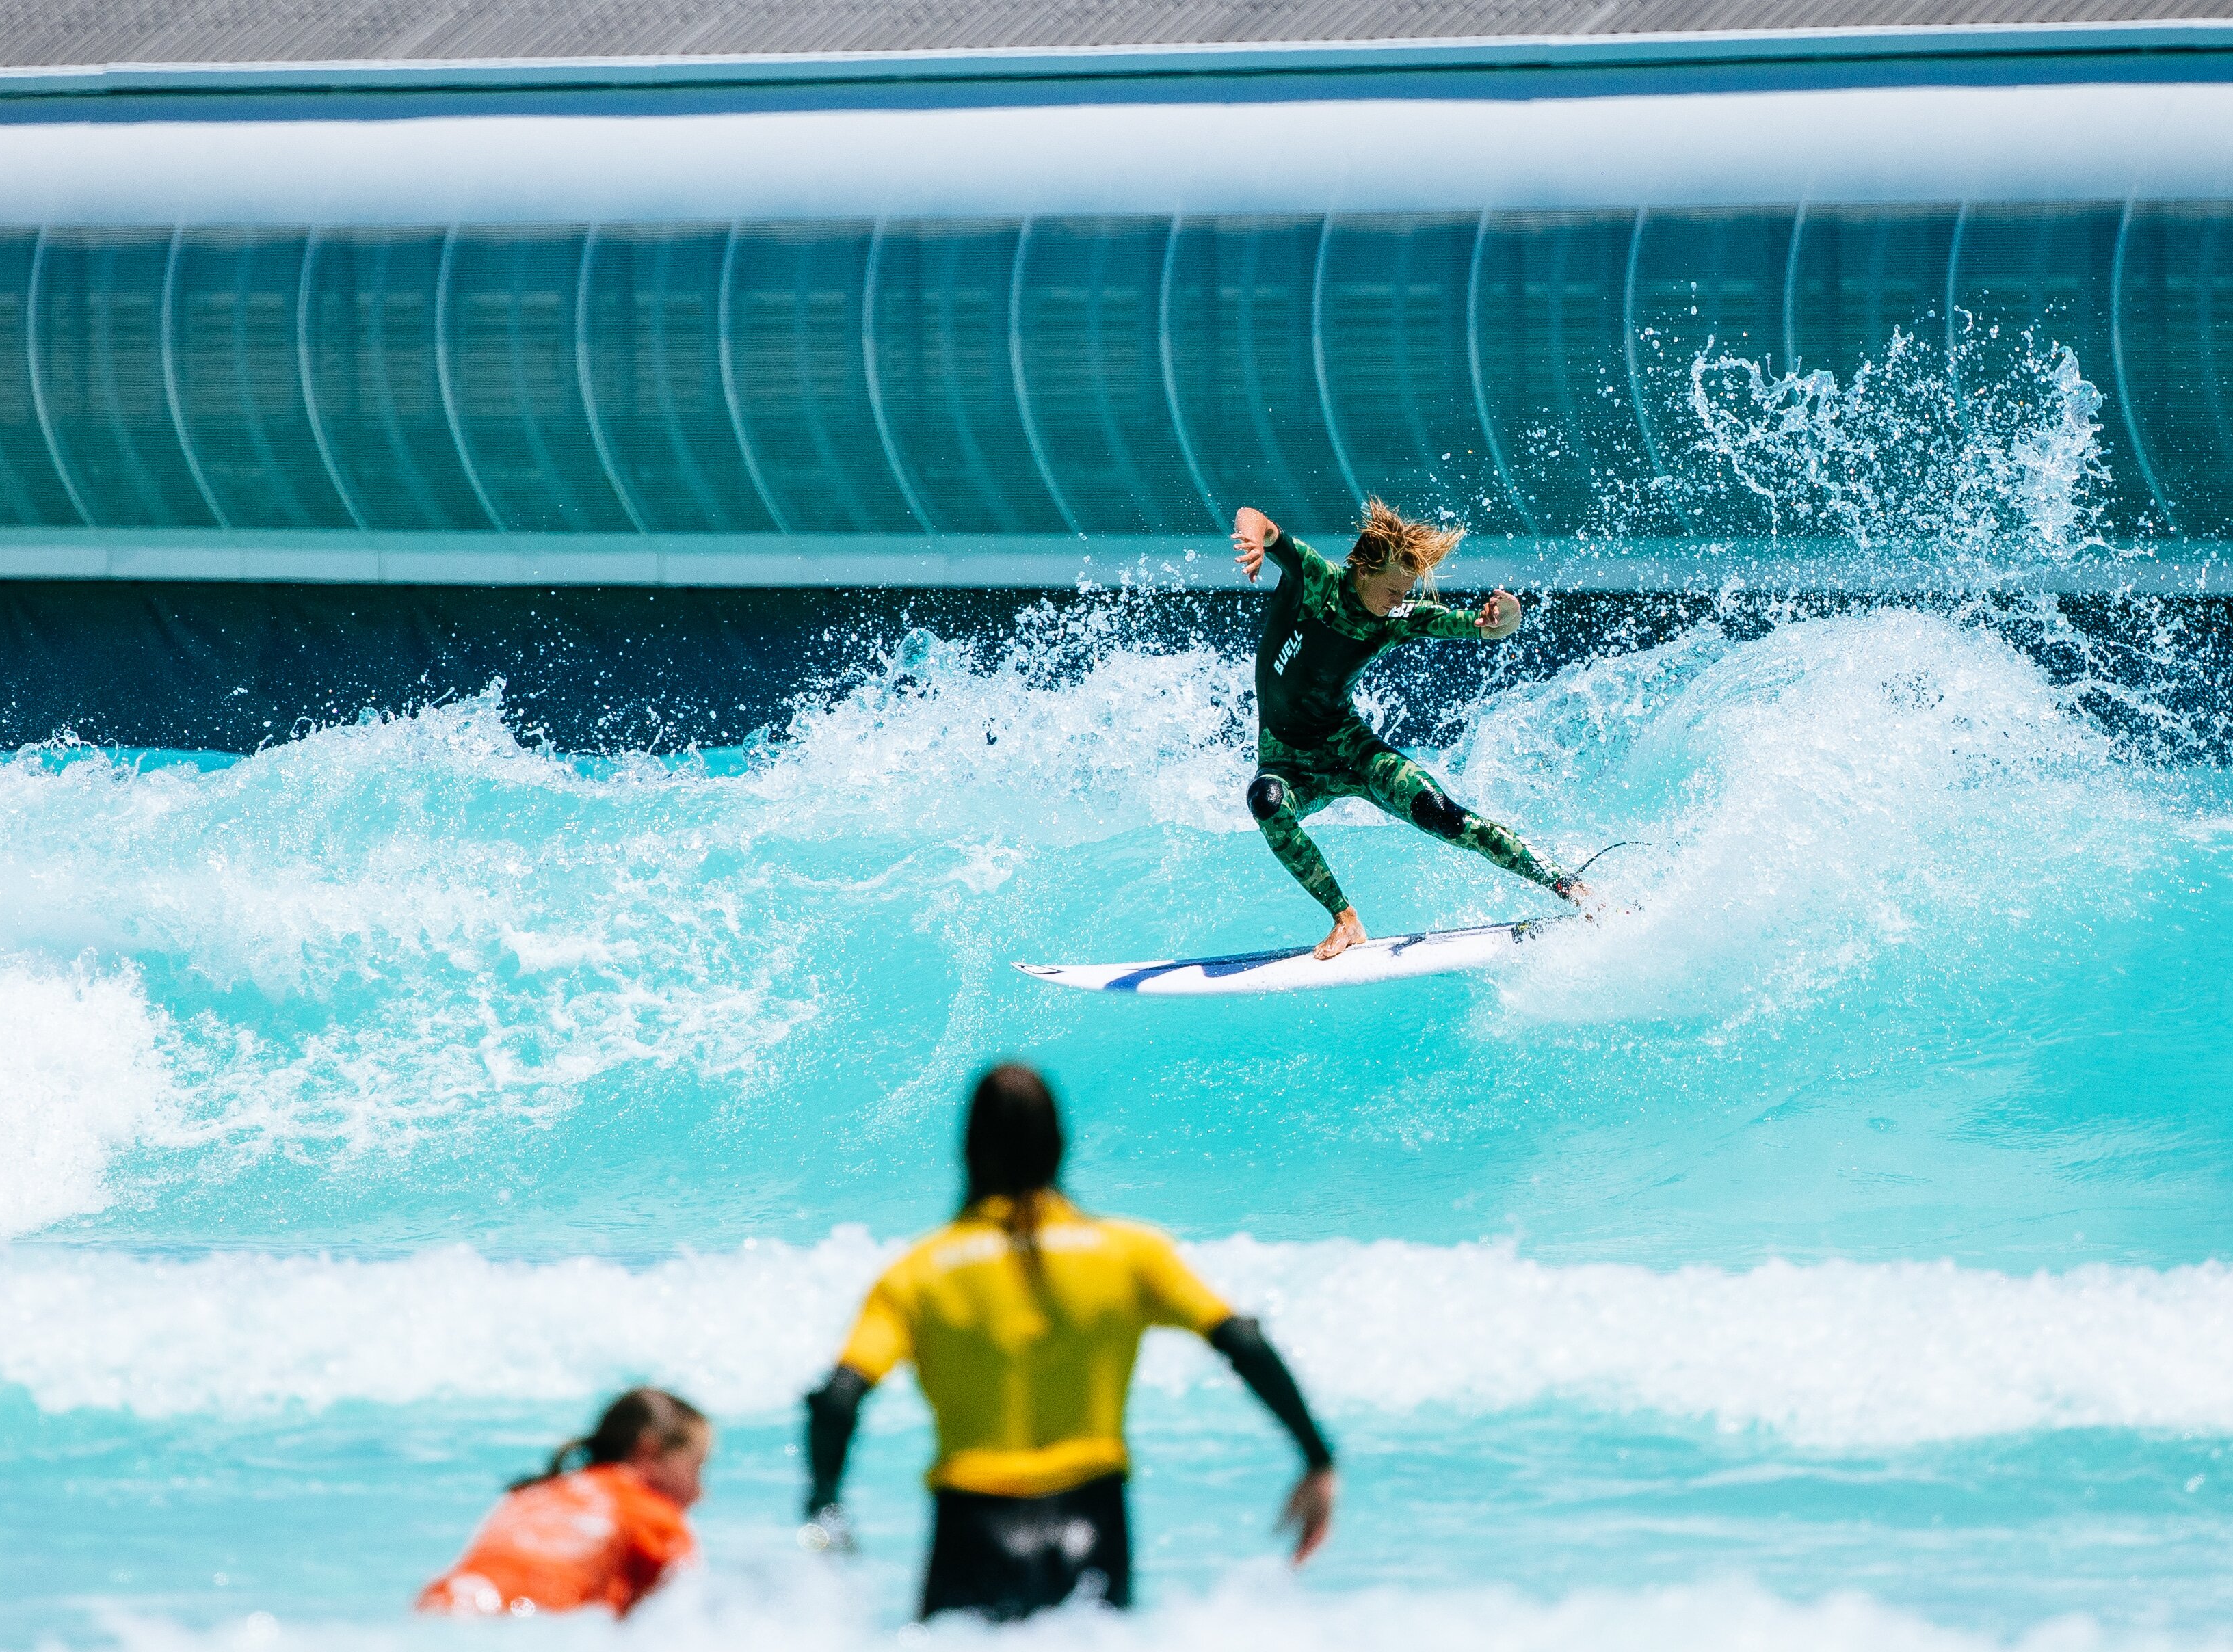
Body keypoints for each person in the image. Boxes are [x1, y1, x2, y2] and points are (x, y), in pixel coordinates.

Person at [801, 1062, 1335, 1623]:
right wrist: (1317, 1458)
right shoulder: (1131, 1253)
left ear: (968, 1148)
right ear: (1060, 1145)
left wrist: (824, 1502)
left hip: (971, 1529)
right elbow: (1242, 1340)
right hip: (1093, 1518)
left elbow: (839, 1396)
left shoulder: (918, 1272)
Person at [1230, 497, 1585, 961]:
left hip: (1352, 749)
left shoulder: (1394, 619)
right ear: (1364, 571)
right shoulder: (1317, 582)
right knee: (1268, 803)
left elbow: (1479, 627)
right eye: (1395, 591)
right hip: (1287, 759)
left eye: (1406, 593)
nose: (1401, 603)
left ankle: (1569, 884)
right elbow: (1255, 516)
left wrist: (1504, 622)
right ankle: (1345, 920)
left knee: (1442, 814)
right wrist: (1255, 538)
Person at [417, 1387, 711, 1620]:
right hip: (528, 1624)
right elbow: (680, 1619)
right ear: (649, 1451)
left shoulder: (536, 1494)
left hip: (443, 1605)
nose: (700, 1493)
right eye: (696, 1468)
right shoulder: (650, 1513)